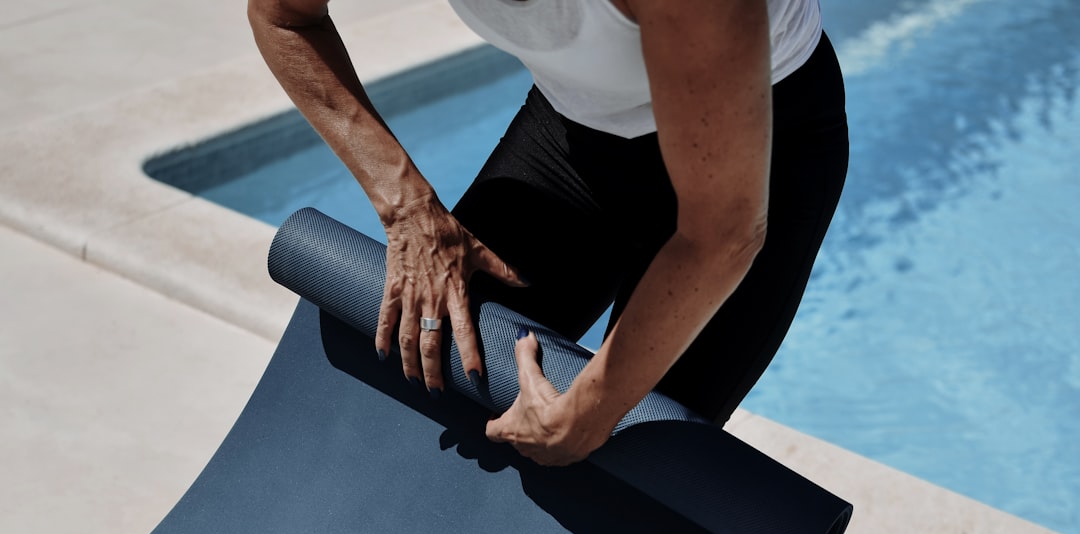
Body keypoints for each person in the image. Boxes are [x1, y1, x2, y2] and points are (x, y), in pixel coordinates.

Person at [248, 0, 848, 466]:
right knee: (428, 387)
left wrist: (590, 412)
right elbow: (284, 18)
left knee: (623, 473)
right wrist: (407, 206)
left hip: (762, 156)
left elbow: (721, 236)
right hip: (577, 137)